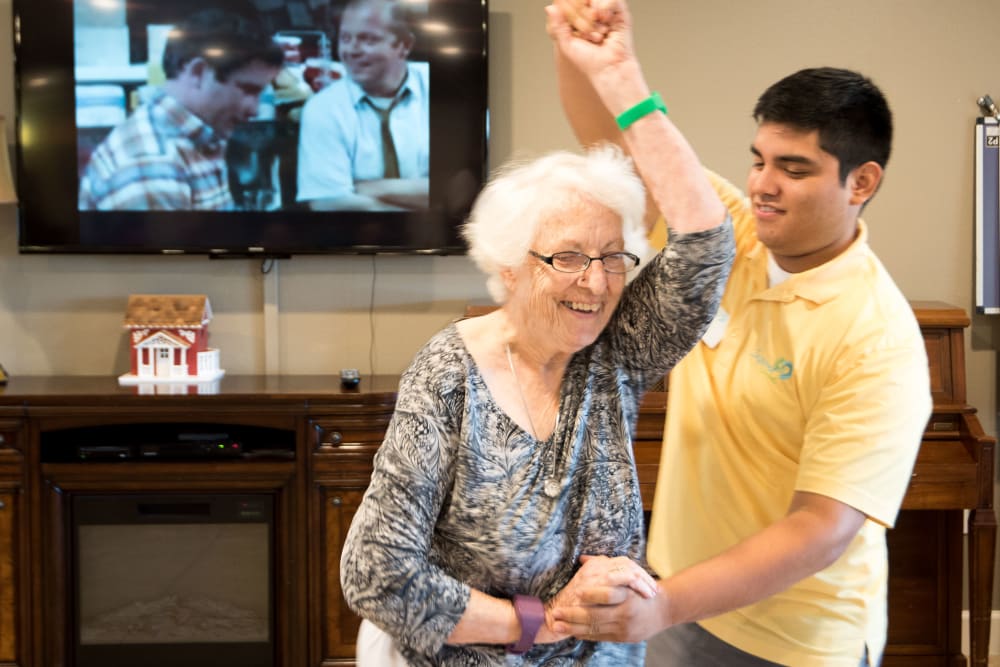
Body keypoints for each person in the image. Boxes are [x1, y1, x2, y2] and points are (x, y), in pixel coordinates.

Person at [544, 2, 934, 666]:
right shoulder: (726, 236)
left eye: (795, 168)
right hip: (680, 599)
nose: (762, 185)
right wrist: (593, 59)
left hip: (797, 640)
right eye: (758, 160)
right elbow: (617, 149)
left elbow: (820, 527)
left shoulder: (877, 337)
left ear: (861, 181)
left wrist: (664, 604)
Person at [339, 141, 733, 665]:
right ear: (509, 267)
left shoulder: (618, 349)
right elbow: (375, 571)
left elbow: (707, 249)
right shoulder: (449, 374)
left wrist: (624, 87)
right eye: (567, 256)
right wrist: (538, 622)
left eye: (612, 256)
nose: (595, 282)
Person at [78, 7, 284, 211]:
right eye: (248, 90)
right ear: (198, 72)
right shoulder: (152, 166)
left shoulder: (200, 138)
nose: (255, 110)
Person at [296, 0, 430, 211]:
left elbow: (462, 190)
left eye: (367, 39)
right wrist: (423, 216)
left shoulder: (443, 88)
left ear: (404, 46)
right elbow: (328, 202)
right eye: (345, 38)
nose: (352, 50)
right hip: (350, 239)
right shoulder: (323, 107)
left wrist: (373, 188)